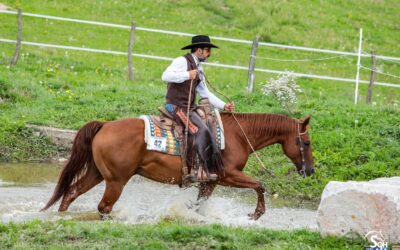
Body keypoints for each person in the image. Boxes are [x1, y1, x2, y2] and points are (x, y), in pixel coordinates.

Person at [161, 35, 235, 182]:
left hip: (188, 107)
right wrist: (187, 74)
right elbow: (166, 76)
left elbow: (205, 93)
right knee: (200, 130)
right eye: (207, 50)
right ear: (199, 50)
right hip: (176, 107)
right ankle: (198, 169)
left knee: (206, 124)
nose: (209, 54)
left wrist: (223, 106)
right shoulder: (182, 61)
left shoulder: (198, 67)